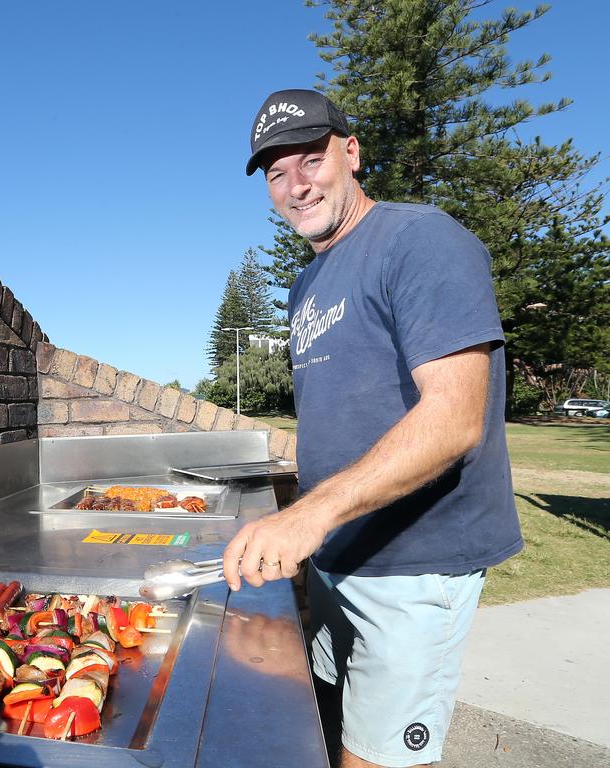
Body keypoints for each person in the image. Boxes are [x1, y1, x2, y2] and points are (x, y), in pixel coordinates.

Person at [222, 89, 523, 768]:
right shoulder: (306, 284)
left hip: (415, 564)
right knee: (316, 732)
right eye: (276, 173)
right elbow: (343, 414)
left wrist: (312, 516)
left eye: (309, 159)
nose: (296, 185)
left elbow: (453, 420)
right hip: (336, 555)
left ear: (351, 153)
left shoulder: (420, 240)